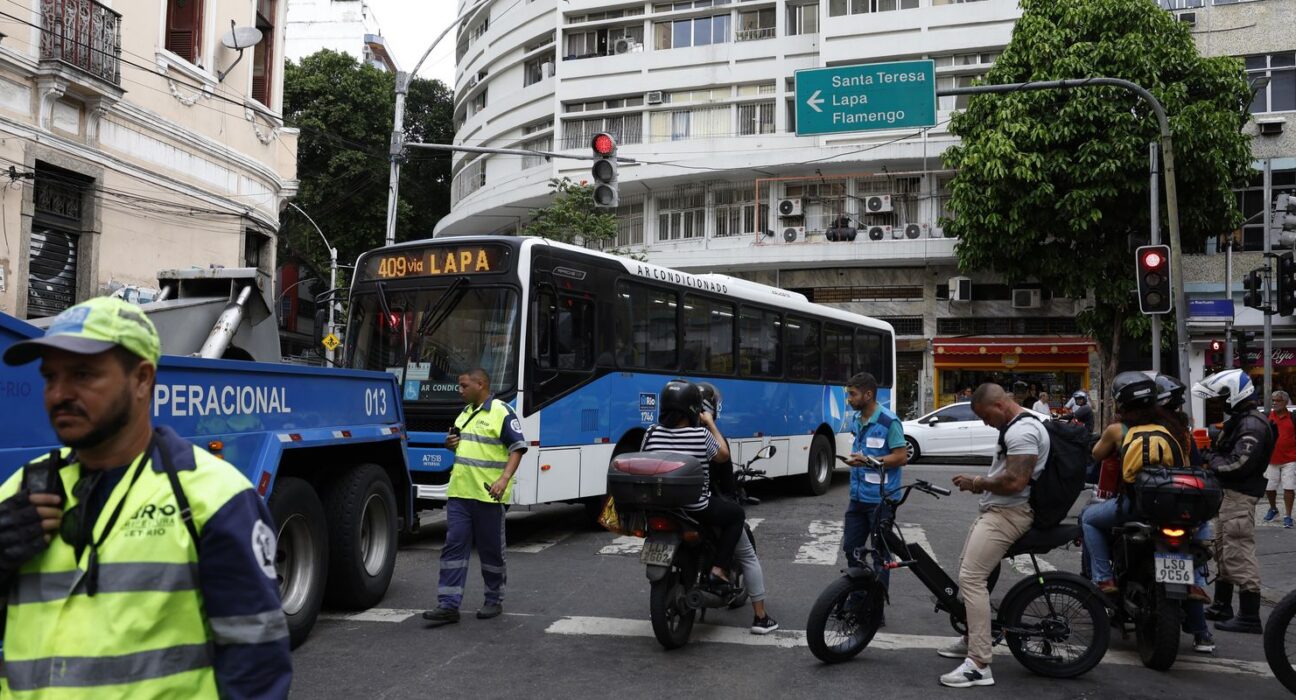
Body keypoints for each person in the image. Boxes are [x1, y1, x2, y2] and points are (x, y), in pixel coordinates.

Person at [0, 297, 292, 698]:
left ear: (141, 380)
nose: (59, 394)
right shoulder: (21, 489)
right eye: (50, 377)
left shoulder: (215, 499)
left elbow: (257, 670)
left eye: (82, 374)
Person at [939, 383, 1047, 688]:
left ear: (999, 406)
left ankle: (978, 664)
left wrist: (976, 482)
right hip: (997, 511)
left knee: (971, 578)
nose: (986, 423)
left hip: (1008, 514)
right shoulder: (1014, 426)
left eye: (986, 417)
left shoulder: (1022, 431)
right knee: (970, 571)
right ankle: (973, 637)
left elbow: (1015, 482)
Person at [1081, 373, 1208, 598]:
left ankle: (1104, 578)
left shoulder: (1117, 430)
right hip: (1174, 506)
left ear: (1121, 402)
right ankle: (1197, 582)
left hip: (1135, 506)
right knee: (1201, 524)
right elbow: (1186, 466)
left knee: (1088, 519)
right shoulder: (1173, 428)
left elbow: (1095, 454)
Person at [423, 368, 527, 626]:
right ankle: (448, 605)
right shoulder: (465, 413)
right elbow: (463, 446)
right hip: (460, 494)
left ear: (480, 384)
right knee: (453, 549)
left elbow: (517, 448)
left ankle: (494, 600)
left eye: (464, 386)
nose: (460, 390)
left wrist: (504, 479)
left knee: (491, 552)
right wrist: (450, 444)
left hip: (488, 496)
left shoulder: (501, 412)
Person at [640, 380, 746, 594]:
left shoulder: (651, 432)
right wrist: (711, 424)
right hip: (695, 508)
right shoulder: (701, 435)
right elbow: (723, 456)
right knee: (736, 515)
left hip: (658, 506)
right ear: (692, 409)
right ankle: (718, 570)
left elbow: (644, 461)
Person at [1193, 369, 1271, 635]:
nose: (1221, 401)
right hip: (1228, 495)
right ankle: (1222, 605)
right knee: (1223, 549)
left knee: (1238, 551)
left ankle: (1249, 616)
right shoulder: (1242, 421)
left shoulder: (1252, 425)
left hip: (1239, 496)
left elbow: (1239, 463)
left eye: (1224, 395)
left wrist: (1210, 460)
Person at [697, 382, 778, 634]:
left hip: (674, 507)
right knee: (747, 555)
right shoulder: (708, 438)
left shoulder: (663, 433)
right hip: (706, 506)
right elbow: (725, 479)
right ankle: (761, 617)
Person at [1155, 373, 1216, 653]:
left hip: (1154, 509)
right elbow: (1199, 469)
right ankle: (1201, 631)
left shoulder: (1142, 432)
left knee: (1093, 521)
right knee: (1195, 562)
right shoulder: (1184, 435)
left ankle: (1103, 585)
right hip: (1190, 509)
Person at [841, 372, 908, 603]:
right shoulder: (856, 420)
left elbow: (901, 457)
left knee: (880, 555)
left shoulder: (889, 422)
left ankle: (875, 607)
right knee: (852, 549)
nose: (849, 399)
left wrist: (868, 461)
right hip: (857, 498)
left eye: (853, 394)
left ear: (868, 394)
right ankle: (859, 598)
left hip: (881, 501)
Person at [1265, 390, 1296, 529]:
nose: (1275, 403)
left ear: (1286, 402)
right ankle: (1273, 509)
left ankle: (1288, 516)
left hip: (1290, 459)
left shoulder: (1293, 417)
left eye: (1278, 400)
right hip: (1271, 459)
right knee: (1269, 488)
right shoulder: (1267, 417)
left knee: (1289, 488)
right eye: (1273, 400)